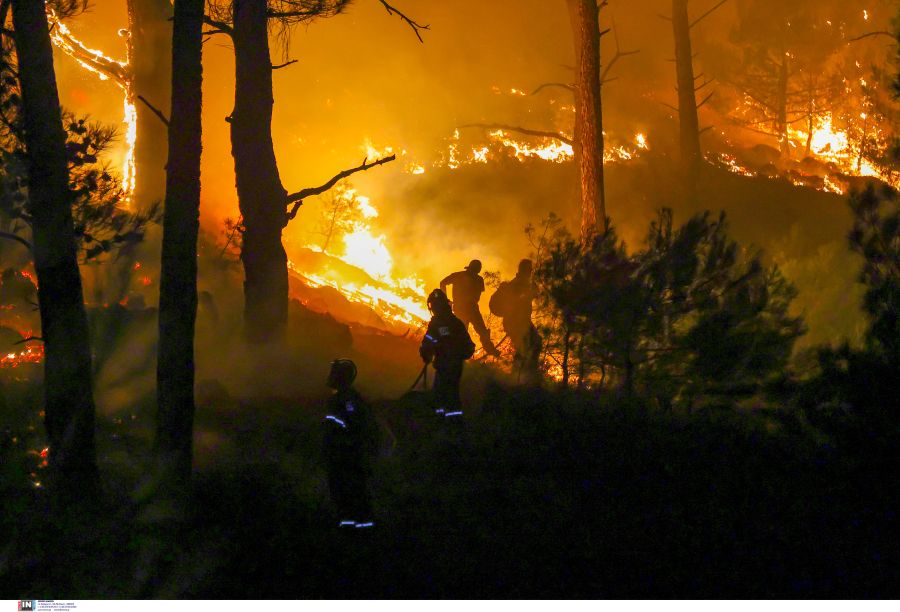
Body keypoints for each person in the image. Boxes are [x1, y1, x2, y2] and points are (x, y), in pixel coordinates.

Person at [323, 359, 379, 528]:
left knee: (347, 491)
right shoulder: (350, 398)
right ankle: (358, 526)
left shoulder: (344, 400)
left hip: (346, 454)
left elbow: (347, 426)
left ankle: (354, 529)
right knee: (351, 491)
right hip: (348, 453)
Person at [420, 289, 475, 418]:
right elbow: (429, 339)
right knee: (439, 394)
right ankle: (441, 420)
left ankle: (453, 423)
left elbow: (467, 344)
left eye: (435, 305)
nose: (433, 309)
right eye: (432, 306)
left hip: (453, 366)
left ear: (441, 305)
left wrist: (456, 354)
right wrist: (426, 352)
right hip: (442, 365)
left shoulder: (454, 323)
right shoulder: (435, 323)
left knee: (449, 395)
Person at [492, 259, 541, 382]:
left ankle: (526, 375)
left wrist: (531, 292)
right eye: (530, 270)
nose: (531, 272)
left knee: (535, 342)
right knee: (523, 347)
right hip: (515, 321)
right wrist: (531, 293)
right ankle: (517, 378)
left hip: (523, 321)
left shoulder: (523, 283)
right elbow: (519, 299)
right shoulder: (517, 284)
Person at [440, 260, 501, 358]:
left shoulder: (479, 280)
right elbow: (442, 283)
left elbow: (477, 296)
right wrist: (446, 299)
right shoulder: (458, 276)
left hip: (472, 308)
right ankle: (458, 355)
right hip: (461, 309)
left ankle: (490, 349)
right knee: (461, 332)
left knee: (482, 331)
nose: (474, 273)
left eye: (476, 271)